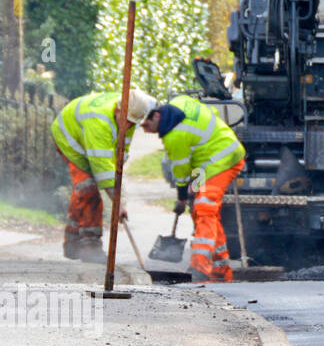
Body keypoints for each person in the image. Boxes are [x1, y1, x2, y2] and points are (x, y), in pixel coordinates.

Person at [140, 95, 246, 283]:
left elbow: (180, 173)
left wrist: (181, 198)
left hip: (223, 159)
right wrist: (190, 194)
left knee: (205, 208)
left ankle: (200, 267)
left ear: (156, 115)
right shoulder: (179, 101)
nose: (145, 131)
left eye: (145, 125)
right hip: (204, 164)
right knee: (202, 210)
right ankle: (221, 269)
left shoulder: (175, 136)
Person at [50, 88, 156, 261]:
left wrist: (119, 191)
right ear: (117, 110)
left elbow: (121, 154)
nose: (128, 126)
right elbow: (103, 171)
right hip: (69, 139)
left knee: (83, 190)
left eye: (132, 123)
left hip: (87, 139)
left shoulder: (129, 116)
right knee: (88, 189)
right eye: (127, 122)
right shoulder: (98, 121)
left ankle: (72, 242)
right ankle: (90, 247)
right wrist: (118, 203)